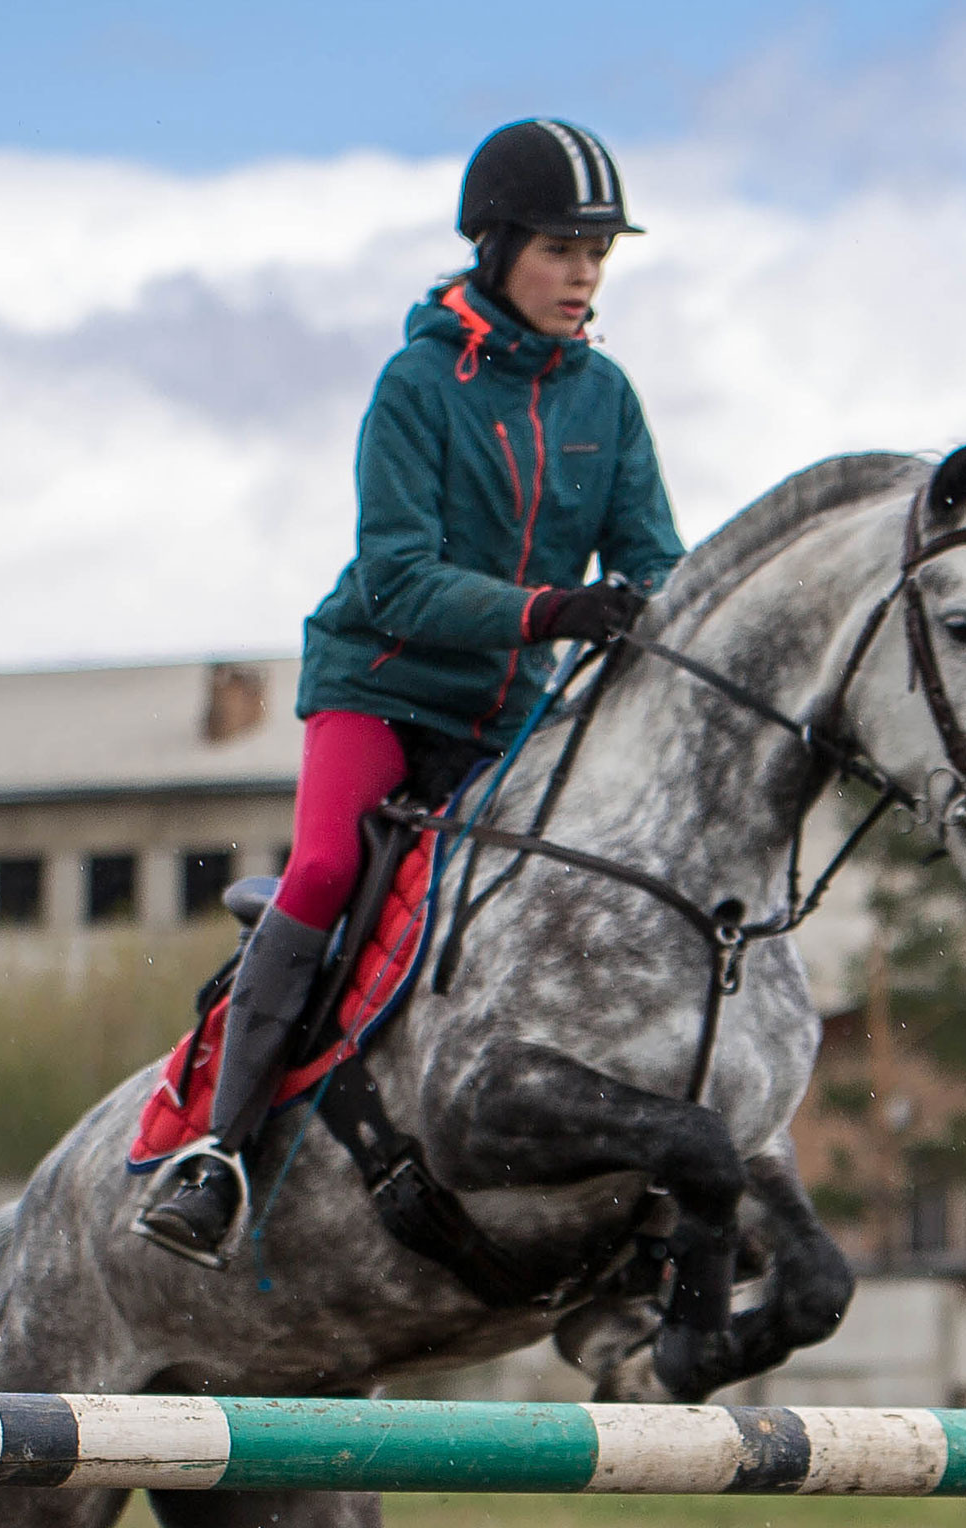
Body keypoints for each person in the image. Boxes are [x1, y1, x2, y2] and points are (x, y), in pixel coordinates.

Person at [134, 118, 684, 1265]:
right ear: (496, 249)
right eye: (560, 250)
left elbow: (652, 558)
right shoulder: (417, 385)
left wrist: (662, 609)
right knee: (325, 871)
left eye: (596, 253)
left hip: (509, 716)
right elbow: (396, 576)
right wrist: (547, 611)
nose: (583, 275)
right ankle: (219, 1152)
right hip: (379, 689)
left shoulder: (607, 398)